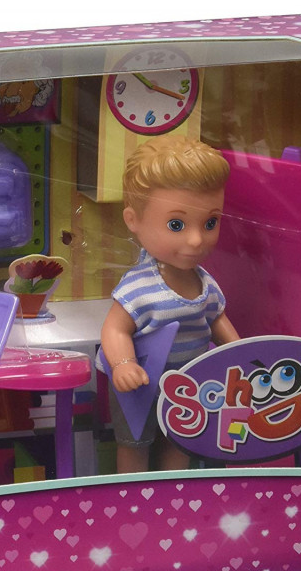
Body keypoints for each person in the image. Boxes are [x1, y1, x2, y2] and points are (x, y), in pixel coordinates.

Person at [99, 137, 239, 473]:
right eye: (176, 225)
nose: (196, 239)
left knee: (181, 441)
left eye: (210, 223)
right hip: (141, 383)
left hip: (189, 386)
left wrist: (241, 353)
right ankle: (132, 496)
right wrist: (123, 364)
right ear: (133, 220)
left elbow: (217, 320)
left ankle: (174, 494)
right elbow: (115, 329)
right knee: (136, 444)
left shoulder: (205, 283)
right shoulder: (139, 287)